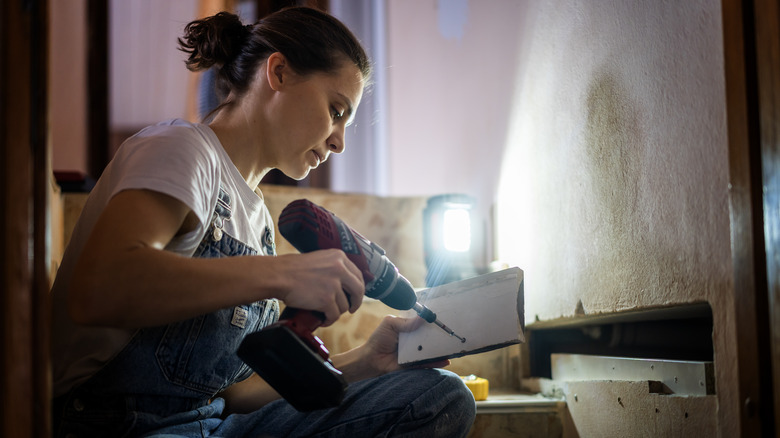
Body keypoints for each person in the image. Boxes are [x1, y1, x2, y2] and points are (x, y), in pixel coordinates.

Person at [50, 6, 476, 437]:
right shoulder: (181, 149)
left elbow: (232, 395)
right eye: (335, 110)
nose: (339, 141)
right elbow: (98, 288)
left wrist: (367, 362)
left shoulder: (254, 217)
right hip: (121, 426)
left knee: (437, 395)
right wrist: (282, 272)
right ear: (279, 73)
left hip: (211, 423)